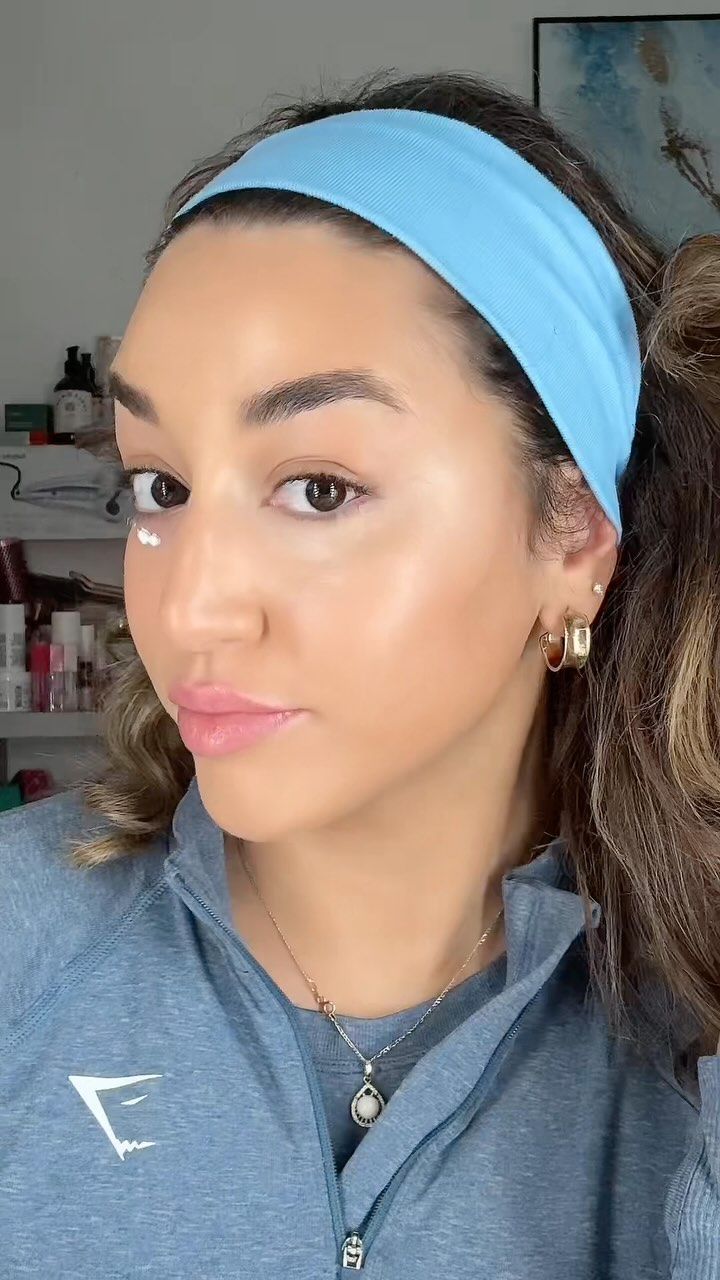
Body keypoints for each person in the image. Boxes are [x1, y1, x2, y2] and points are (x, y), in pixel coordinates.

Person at [1, 71, 719, 1279]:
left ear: (573, 537)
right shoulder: (23, 942)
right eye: (161, 486)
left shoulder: (688, 1019)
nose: (191, 605)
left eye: (319, 488)